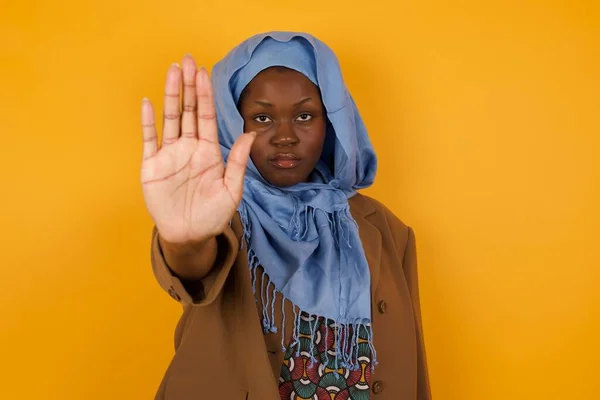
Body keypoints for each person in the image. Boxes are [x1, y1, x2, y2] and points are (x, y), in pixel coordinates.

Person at [140, 31, 431, 400]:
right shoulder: (218, 211)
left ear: (332, 125)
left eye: (305, 115)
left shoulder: (385, 228)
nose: (285, 137)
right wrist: (186, 240)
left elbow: (411, 358)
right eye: (262, 117)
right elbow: (195, 270)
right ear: (234, 123)